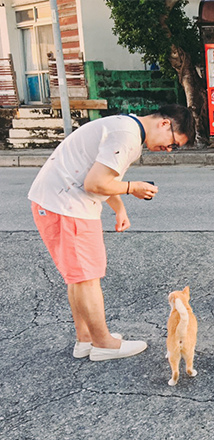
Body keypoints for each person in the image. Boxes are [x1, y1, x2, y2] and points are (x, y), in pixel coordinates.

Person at [28, 104, 195, 361]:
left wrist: (119, 208)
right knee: (87, 277)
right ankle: (103, 343)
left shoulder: (125, 126)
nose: (169, 149)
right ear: (164, 123)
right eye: (173, 143)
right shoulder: (127, 136)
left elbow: (101, 176)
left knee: (78, 277)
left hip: (56, 201)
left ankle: (86, 339)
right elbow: (94, 182)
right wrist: (132, 187)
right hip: (68, 205)